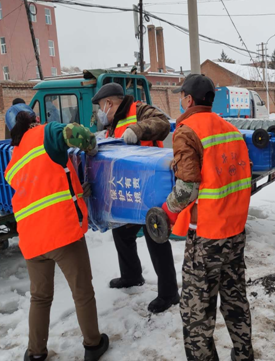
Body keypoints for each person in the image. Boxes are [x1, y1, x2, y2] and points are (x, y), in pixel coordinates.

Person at [4, 110, 109, 361]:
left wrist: (75, 190)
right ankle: (93, 346)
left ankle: (36, 353)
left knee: (39, 297)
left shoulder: (14, 161)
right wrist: (92, 147)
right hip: (62, 233)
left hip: (31, 240)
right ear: (34, 121)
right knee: (82, 290)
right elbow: (79, 134)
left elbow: (41, 187)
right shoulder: (46, 133)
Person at [163, 74, 254, 361]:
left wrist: (167, 210)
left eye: (181, 96)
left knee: (196, 314)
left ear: (188, 99)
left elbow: (187, 188)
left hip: (206, 238)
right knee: (235, 299)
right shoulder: (230, 129)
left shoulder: (187, 131)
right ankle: (244, 355)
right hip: (235, 232)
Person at [90, 83, 179, 314]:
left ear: (110, 102)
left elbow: (162, 123)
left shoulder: (139, 110)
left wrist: (138, 130)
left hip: (150, 189)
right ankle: (131, 275)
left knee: (155, 236)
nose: (101, 112)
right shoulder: (113, 124)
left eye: (101, 106)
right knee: (121, 231)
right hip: (127, 192)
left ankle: (169, 293)